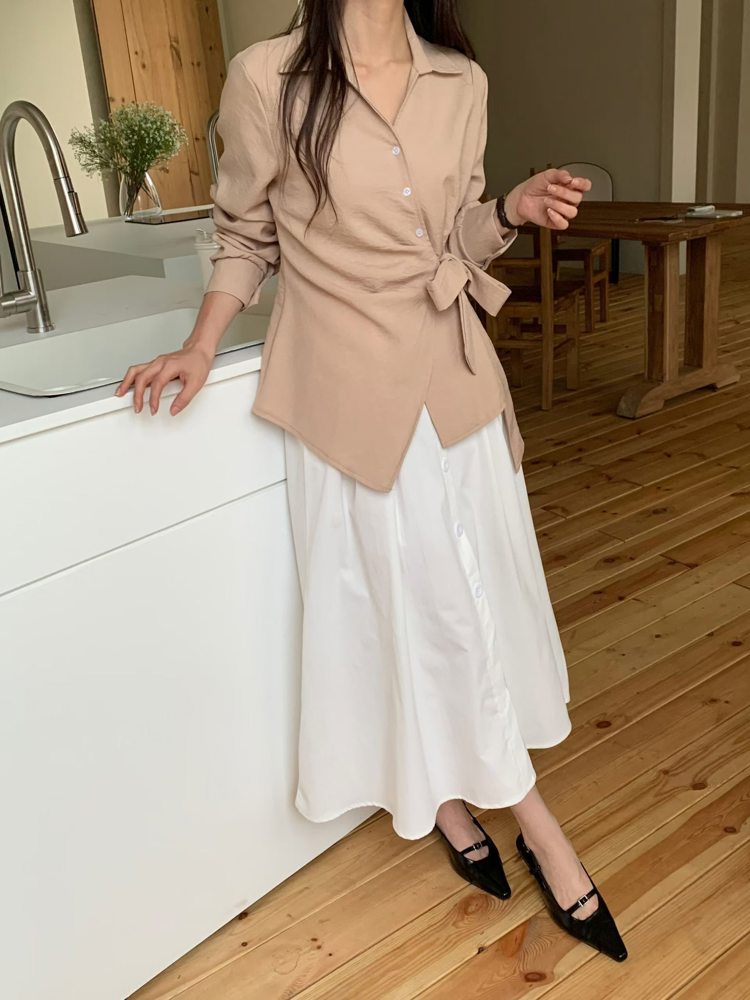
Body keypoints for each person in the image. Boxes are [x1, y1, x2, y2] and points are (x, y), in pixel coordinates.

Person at [115, 0, 627, 963]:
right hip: (349, 396)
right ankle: (537, 826)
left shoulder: (461, 81)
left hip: (456, 381)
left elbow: (453, 237)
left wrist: (507, 213)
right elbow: (247, 236)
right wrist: (200, 346)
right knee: (417, 608)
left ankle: (450, 800)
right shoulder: (267, 78)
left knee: (470, 604)